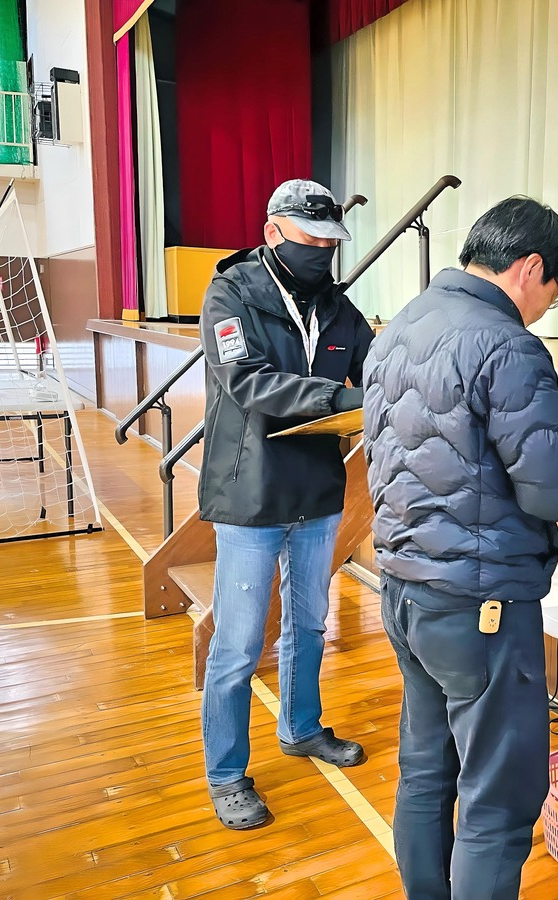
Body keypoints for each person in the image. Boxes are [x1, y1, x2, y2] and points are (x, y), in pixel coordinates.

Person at [363, 196, 558, 898]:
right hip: (480, 603)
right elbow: (553, 488)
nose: (542, 315)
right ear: (531, 268)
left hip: (406, 591)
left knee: (427, 771)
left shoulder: (401, 326)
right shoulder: (506, 344)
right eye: (550, 297)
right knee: (498, 803)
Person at [198, 179, 373, 830]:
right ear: (273, 232)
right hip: (252, 492)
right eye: (311, 241)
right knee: (240, 644)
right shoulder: (231, 294)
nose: (323, 254)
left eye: (331, 243)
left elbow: (373, 365)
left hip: (317, 491)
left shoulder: (336, 305)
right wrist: (337, 400)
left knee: (309, 623)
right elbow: (244, 381)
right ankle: (227, 775)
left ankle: (302, 728)